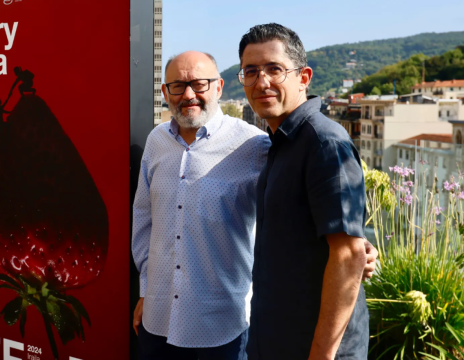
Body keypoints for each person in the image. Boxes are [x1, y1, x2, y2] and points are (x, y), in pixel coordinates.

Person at [131, 50, 377, 360]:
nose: (189, 94)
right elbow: (143, 220)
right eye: (178, 86)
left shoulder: (253, 145)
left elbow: (298, 201)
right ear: (165, 92)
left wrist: (356, 243)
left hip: (221, 331)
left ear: (219, 87)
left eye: (200, 84)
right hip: (157, 321)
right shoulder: (156, 142)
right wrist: (146, 290)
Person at [239, 24, 369, 360]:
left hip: (315, 348)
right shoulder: (281, 144)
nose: (261, 81)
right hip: (278, 339)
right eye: (250, 71)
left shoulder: (323, 143)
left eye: (274, 69)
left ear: (303, 77)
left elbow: (348, 255)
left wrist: (321, 356)